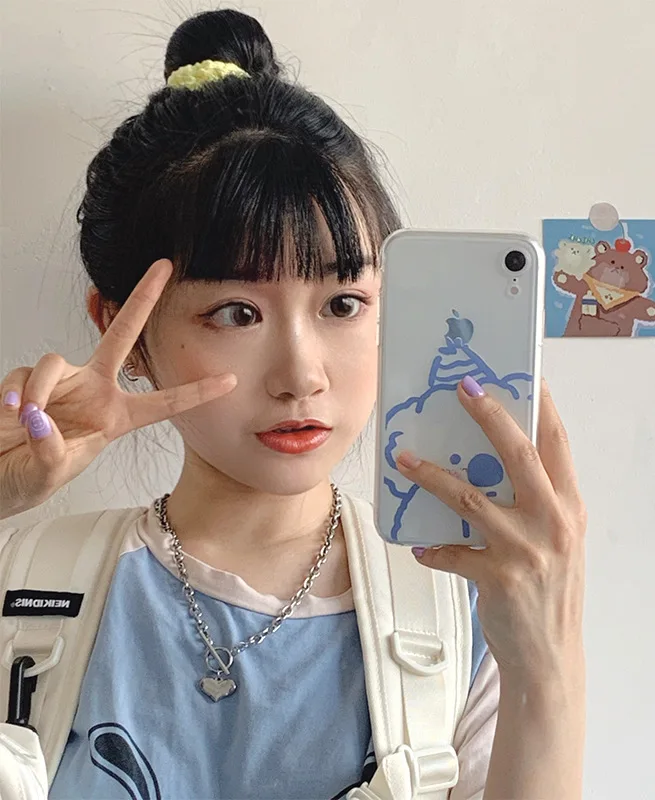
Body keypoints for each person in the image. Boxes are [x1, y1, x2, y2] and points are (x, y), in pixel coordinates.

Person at [0, 9, 587, 799]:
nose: (301, 375)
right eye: (236, 312)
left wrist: (549, 657)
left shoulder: (465, 610)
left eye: (343, 304)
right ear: (123, 332)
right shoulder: (26, 589)